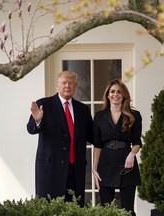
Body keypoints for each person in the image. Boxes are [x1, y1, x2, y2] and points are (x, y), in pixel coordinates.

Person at [27, 70, 93, 207]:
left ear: (75, 87)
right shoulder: (44, 104)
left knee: (74, 208)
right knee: (50, 208)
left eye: (71, 83)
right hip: (50, 168)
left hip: (75, 169)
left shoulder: (83, 110)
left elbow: (93, 136)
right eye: (64, 83)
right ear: (57, 86)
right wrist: (38, 121)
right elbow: (31, 129)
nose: (67, 86)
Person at [93, 79, 142, 216]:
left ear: (124, 95)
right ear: (108, 95)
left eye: (119, 92)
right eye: (112, 91)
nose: (116, 94)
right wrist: (94, 169)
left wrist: (132, 154)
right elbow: (97, 145)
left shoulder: (134, 115)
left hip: (127, 164)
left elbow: (137, 142)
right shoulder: (99, 116)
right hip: (105, 164)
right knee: (106, 209)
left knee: (128, 210)